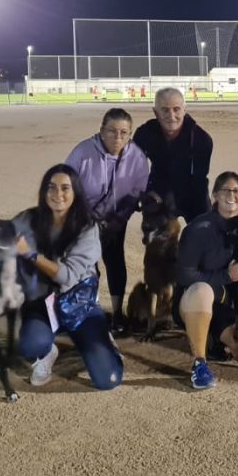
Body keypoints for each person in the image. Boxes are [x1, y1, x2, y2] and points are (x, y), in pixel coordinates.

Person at [13, 164, 124, 390]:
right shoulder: (28, 218)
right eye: (51, 188)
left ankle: (103, 342)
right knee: (30, 345)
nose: (58, 194)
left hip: (78, 303)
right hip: (41, 301)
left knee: (107, 380)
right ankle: (46, 354)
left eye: (65, 188)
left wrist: (31, 255)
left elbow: (68, 276)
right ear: (44, 192)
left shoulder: (87, 228)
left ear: (76, 193)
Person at [173, 171, 238, 390]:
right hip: (195, 302)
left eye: (236, 191)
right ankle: (199, 364)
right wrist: (227, 276)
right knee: (203, 290)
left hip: (232, 308)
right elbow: (184, 276)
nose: (231, 195)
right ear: (214, 196)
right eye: (225, 190)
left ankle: (218, 340)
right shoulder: (198, 229)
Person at [65, 108, 149, 335]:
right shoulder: (82, 152)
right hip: (82, 221)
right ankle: (87, 312)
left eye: (124, 132)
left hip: (116, 221)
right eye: (112, 131)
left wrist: (118, 220)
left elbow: (136, 194)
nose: (117, 137)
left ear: (130, 134)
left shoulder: (137, 157)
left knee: (114, 262)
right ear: (101, 131)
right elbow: (66, 187)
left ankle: (117, 314)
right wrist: (86, 220)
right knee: (86, 266)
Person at [134, 87, 214, 223]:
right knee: (156, 238)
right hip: (158, 191)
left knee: (204, 232)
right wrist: (147, 191)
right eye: (165, 110)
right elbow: (134, 170)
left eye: (176, 109)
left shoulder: (202, 139)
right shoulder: (144, 134)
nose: (171, 116)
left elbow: (200, 179)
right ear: (155, 112)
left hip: (193, 191)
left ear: (184, 110)